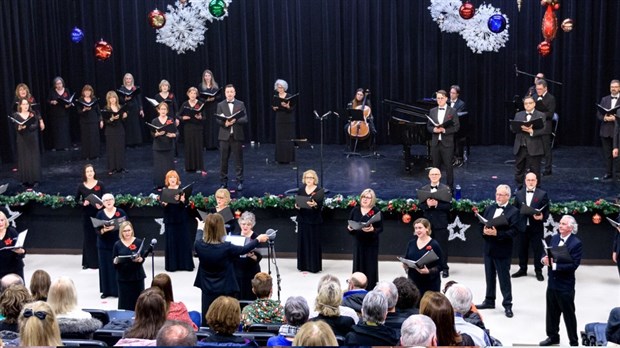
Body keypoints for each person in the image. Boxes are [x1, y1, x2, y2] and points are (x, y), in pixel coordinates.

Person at [193, 213, 269, 324]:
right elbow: (244, 249)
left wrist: (199, 228)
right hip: (225, 286)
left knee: (208, 312)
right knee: (225, 314)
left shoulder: (199, 245)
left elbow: (198, 236)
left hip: (207, 285)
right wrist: (257, 240)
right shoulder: (226, 247)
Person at [476, 184, 519, 318]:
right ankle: (489, 300)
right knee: (489, 276)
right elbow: (481, 224)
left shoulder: (513, 211)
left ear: (508, 196)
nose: (498, 197)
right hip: (488, 248)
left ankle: (507, 304)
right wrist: (484, 231)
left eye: (501, 195)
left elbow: (514, 231)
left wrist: (497, 234)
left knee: (504, 278)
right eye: (497, 194)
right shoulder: (489, 208)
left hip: (502, 249)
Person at [539, 215, 583, 346]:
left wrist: (554, 265)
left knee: (568, 314)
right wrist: (544, 260)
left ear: (571, 227)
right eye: (560, 223)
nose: (560, 226)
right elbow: (546, 253)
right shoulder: (554, 238)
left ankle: (573, 341)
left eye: (563, 224)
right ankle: (553, 337)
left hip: (565, 286)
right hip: (552, 283)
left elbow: (573, 265)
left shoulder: (576, 243)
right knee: (551, 312)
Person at [512, 172, 550, 281]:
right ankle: (522, 269)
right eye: (528, 180)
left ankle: (538, 271)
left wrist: (542, 216)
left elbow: (546, 211)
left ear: (536, 181)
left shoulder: (542, 194)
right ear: (525, 181)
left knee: (537, 250)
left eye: (533, 180)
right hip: (522, 227)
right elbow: (515, 210)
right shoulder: (519, 194)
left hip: (536, 227)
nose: (530, 182)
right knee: (521, 249)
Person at [418, 168, 451, 277]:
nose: (434, 176)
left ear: (440, 175)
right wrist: (427, 204)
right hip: (427, 224)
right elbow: (421, 206)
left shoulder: (445, 189)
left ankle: (444, 268)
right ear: (429, 176)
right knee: (427, 246)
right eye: (432, 174)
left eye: (436, 174)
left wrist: (436, 204)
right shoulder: (424, 189)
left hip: (441, 222)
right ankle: (428, 266)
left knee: (442, 247)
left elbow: (448, 206)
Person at [347, 188, 383, 290]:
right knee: (358, 266)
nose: (365, 199)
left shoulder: (375, 211)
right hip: (358, 243)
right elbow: (350, 226)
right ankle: (356, 288)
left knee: (370, 267)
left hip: (371, 244)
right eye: (363, 197)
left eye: (368, 197)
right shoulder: (355, 210)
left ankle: (370, 289)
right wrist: (350, 228)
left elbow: (381, 228)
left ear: (372, 199)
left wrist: (372, 229)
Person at [216, 84, 248, 191]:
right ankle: (223, 182)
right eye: (227, 92)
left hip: (236, 136)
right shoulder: (220, 104)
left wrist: (235, 120)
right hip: (224, 136)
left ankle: (239, 181)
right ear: (225, 93)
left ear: (234, 93)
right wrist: (225, 123)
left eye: (231, 92)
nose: (229, 94)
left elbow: (245, 119)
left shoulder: (240, 104)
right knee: (223, 160)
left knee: (238, 160)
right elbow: (218, 119)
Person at [161, 170, 194, 272]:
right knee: (172, 242)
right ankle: (173, 265)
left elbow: (185, 206)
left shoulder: (181, 190)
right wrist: (164, 204)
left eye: (174, 177)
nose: (172, 179)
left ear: (177, 179)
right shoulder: (165, 191)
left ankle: (185, 265)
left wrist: (183, 201)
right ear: (167, 180)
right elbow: (163, 207)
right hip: (170, 221)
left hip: (181, 219)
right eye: (170, 178)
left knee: (183, 241)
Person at [427, 89, 460, 189]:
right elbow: (428, 126)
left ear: (446, 98)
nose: (440, 100)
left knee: (448, 167)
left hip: (447, 143)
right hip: (436, 143)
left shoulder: (452, 111)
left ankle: (449, 188)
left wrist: (444, 130)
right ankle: (435, 188)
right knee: (435, 167)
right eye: (438, 98)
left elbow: (456, 127)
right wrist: (434, 130)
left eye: (442, 98)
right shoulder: (432, 111)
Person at [95, 193, 127, 299]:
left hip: (117, 244)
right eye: (106, 200)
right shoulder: (100, 214)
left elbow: (126, 225)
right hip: (104, 244)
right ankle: (106, 291)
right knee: (105, 267)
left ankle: (118, 290)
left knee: (117, 267)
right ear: (103, 203)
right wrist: (104, 230)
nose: (108, 202)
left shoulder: (120, 212)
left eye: (110, 199)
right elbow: (97, 230)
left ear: (114, 201)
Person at [403, 218, 444, 297]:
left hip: (429, 284)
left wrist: (428, 271)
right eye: (416, 228)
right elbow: (407, 258)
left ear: (427, 229)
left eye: (420, 228)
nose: (417, 230)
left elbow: (440, 266)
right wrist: (405, 265)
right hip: (413, 282)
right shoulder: (411, 243)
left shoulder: (434, 244)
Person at [75, 164, 106, 269]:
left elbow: (106, 198)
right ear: (85, 174)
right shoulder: (81, 186)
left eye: (91, 171)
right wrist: (83, 203)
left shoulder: (100, 184)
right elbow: (76, 200)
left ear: (94, 172)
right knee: (88, 239)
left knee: (99, 236)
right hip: (87, 216)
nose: (89, 173)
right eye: (87, 171)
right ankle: (88, 263)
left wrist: (101, 204)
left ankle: (100, 262)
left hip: (98, 215)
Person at [113, 221, 147, 310]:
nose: (127, 233)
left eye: (129, 230)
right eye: (124, 231)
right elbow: (114, 261)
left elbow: (142, 257)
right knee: (125, 302)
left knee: (139, 301)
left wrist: (140, 260)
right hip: (123, 277)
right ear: (121, 232)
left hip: (137, 276)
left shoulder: (138, 242)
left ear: (132, 230)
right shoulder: (117, 244)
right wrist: (115, 261)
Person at [512, 96, 546, 184]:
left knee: (535, 170)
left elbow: (544, 129)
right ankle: (519, 188)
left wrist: (532, 131)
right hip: (520, 146)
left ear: (534, 104)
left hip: (534, 147)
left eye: (530, 103)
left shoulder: (541, 115)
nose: (528, 105)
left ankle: (536, 189)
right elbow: (512, 128)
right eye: (526, 103)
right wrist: (518, 127)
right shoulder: (518, 114)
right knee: (519, 168)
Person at [12, 98, 44, 189]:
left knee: (33, 158)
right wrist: (20, 128)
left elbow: (35, 125)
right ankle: (24, 180)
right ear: (20, 105)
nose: (26, 106)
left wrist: (28, 126)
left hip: (32, 138)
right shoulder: (16, 115)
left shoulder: (32, 114)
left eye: (27, 104)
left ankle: (35, 179)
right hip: (22, 139)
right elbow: (16, 128)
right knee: (24, 158)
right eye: (24, 104)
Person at [295, 169, 323, 273]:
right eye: (307, 177)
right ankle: (303, 265)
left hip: (314, 220)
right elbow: (298, 203)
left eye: (311, 178)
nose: (309, 180)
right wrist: (297, 207)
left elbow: (320, 207)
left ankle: (313, 266)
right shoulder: (301, 190)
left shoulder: (319, 190)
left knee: (313, 243)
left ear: (314, 179)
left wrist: (315, 205)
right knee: (303, 243)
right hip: (303, 219)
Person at [233, 211, 262, 300]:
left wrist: (252, 256)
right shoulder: (236, 236)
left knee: (250, 296)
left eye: (248, 224)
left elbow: (259, 256)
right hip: (237, 271)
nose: (245, 226)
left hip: (251, 271)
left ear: (252, 225)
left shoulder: (256, 238)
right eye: (243, 224)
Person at [178, 87, 205, 173]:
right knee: (189, 147)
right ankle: (189, 167)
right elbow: (178, 115)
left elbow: (204, 117)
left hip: (197, 128)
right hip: (188, 128)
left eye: (194, 93)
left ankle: (198, 167)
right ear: (188, 94)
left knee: (197, 147)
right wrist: (183, 117)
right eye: (191, 93)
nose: (193, 95)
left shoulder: (200, 103)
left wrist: (200, 117)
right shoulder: (185, 104)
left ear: (196, 95)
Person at [151, 102, 177, 188]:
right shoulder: (154, 121)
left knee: (169, 166)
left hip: (168, 146)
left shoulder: (170, 120)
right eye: (161, 109)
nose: (163, 111)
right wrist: (156, 134)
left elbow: (176, 131)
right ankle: (159, 184)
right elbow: (151, 133)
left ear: (167, 111)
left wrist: (174, 135)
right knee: (159, 167)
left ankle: (169, 184)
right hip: (158, 147)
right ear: (158, 110)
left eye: (165, 109)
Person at [597, 79, 620, 180]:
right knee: (607, 154)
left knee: (618, 154)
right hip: (606, 130)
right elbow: (599, 113)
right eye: (612, 87)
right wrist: (605, 118)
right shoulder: (605, 99)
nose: (613, 89)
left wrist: (615, 118)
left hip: (618, 130)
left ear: (619, 88)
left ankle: (618, 173)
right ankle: (608, 172)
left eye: (615, 87)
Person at [102, 90, 128, 175]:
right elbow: (105, 121)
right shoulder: (106, 108)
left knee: (120, 148)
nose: (112, 99)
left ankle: (121, 167)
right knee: (111, 149)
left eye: (113, 97)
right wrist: (111, 119)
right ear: (108, 99)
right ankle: (112, 168)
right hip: (110, 130)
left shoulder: (120, 107)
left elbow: (123, 120)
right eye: (110, 98)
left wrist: (124, 116)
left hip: (119, 129)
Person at [534, 79, 556, 176]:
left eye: (540, 89)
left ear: (545, 88)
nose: (538, 91)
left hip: (545, 127)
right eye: (537, 89)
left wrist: (539, 114)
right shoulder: (534, 97)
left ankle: (548, 169)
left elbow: (550, 114)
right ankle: (534, 167)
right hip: (535, 126)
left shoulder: (551, 98)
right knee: (534, 147)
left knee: (546, 149)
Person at [272, 79, 296, 163]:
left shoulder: (289, 96)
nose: (280, 89)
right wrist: (274, 108)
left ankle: (289, 158)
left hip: (288, 119)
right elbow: (274, 106)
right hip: (279, 119)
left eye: (281, 87)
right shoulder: (275, 96)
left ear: (284, 87)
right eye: (278, 88)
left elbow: (292, 108)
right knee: (280, 139)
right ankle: (280, 158)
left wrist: (287, 106)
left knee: (288, 139)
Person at [75, 85, 102, 159]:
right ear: (83, 92)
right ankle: (87, 155)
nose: (87, 92)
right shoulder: (80, 100)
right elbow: (78, 112)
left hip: (94, 121)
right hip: (84, 122)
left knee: (94, 138)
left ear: (91, 92)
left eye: (89, 91)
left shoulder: (94, 99)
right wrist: (84, 110)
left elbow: (98, 111)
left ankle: (95, 154)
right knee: (86, 138)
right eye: (86, 91)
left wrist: (101, 120)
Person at [46, 76, 72, 151]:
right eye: (57, 84)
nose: (59, 85)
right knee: (56, 130)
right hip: (55, 113)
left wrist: (69, 104)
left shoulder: (66, 90)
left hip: (64, 112)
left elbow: (69, 100)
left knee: (64, 129)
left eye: (60, 83)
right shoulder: (52, 91)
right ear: (55, 85)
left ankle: (65, 145)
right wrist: (52, 102)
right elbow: (48, 100)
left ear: (62, 83)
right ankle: (57, 146)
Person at [118, 73, 144, 146]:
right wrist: (125, 99)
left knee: (135, 125)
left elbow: (139, 99)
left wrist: (141, 109)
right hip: (126, 109)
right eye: (127, 78)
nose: (128, 80)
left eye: (129, 78)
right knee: (128, 126)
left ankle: (137, 142)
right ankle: (129, 142)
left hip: (135, 108)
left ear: (132, 79)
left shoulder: (135, 88)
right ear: (124, 80)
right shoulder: (122, 88)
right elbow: (120, 101)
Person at [198, 69, 221, 150]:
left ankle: (215, 144)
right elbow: (199, 97)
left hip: (214, 107)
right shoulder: (201, 86)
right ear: (204, 77)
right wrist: (206, 100)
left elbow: (219, 96)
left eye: (209, 75)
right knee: (207, 126)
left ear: (211, 76)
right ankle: (207, 145)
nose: (207, 77)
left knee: (215, 126)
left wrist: (214, 98)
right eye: (206, 76)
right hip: (205, 108)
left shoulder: (215, 85)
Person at [0, 212, 25, 280]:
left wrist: (21, 251)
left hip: (15, 268)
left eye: (2, 220)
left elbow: (21, 248)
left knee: (18, 289)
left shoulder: (12, 231)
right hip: (1, 269)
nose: (0, 223)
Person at [449, 85, 468, 167]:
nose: (451, 94)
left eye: (453, 93)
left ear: (457, 94)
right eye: (450, 92)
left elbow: (458, 116)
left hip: (457, 127)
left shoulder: (461, 104)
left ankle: (458, 157)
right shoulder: (447, 102)